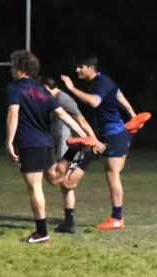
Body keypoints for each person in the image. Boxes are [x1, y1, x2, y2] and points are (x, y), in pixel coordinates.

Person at [4, 50, 98, 243]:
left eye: (13, 66)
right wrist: (82, 135)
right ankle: (73, 150)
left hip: (30, 143)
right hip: (46, 143)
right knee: (54, 178)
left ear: (20, 68)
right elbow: (63, 114)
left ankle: (41, 233)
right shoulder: (41, 90)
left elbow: (13, 114)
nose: (11, 70)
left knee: (35, 188)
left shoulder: (14, 89)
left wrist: (9, 141)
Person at [60, 54, 140, 230]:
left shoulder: (100, 83)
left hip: (114, 134)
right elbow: (119, 96)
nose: (77, 70)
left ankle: (117, 218)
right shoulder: (103, 81)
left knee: (112, 174)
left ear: (91, 68)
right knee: (110, 172)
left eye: (80, 66)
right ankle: (70, 182)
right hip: (107, 135)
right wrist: (133, 116)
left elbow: (95, 102)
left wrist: (72, 88)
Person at [40, 77, 105, 233]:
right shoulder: (52, 100)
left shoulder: (63, 99)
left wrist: (92, 140)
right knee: (65, 185)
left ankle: (87, 158)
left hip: (68, 145)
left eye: (42, 91)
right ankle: (69, 223)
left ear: (48, 88)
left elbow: (81, 120)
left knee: (65, 183)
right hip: (60, 144)